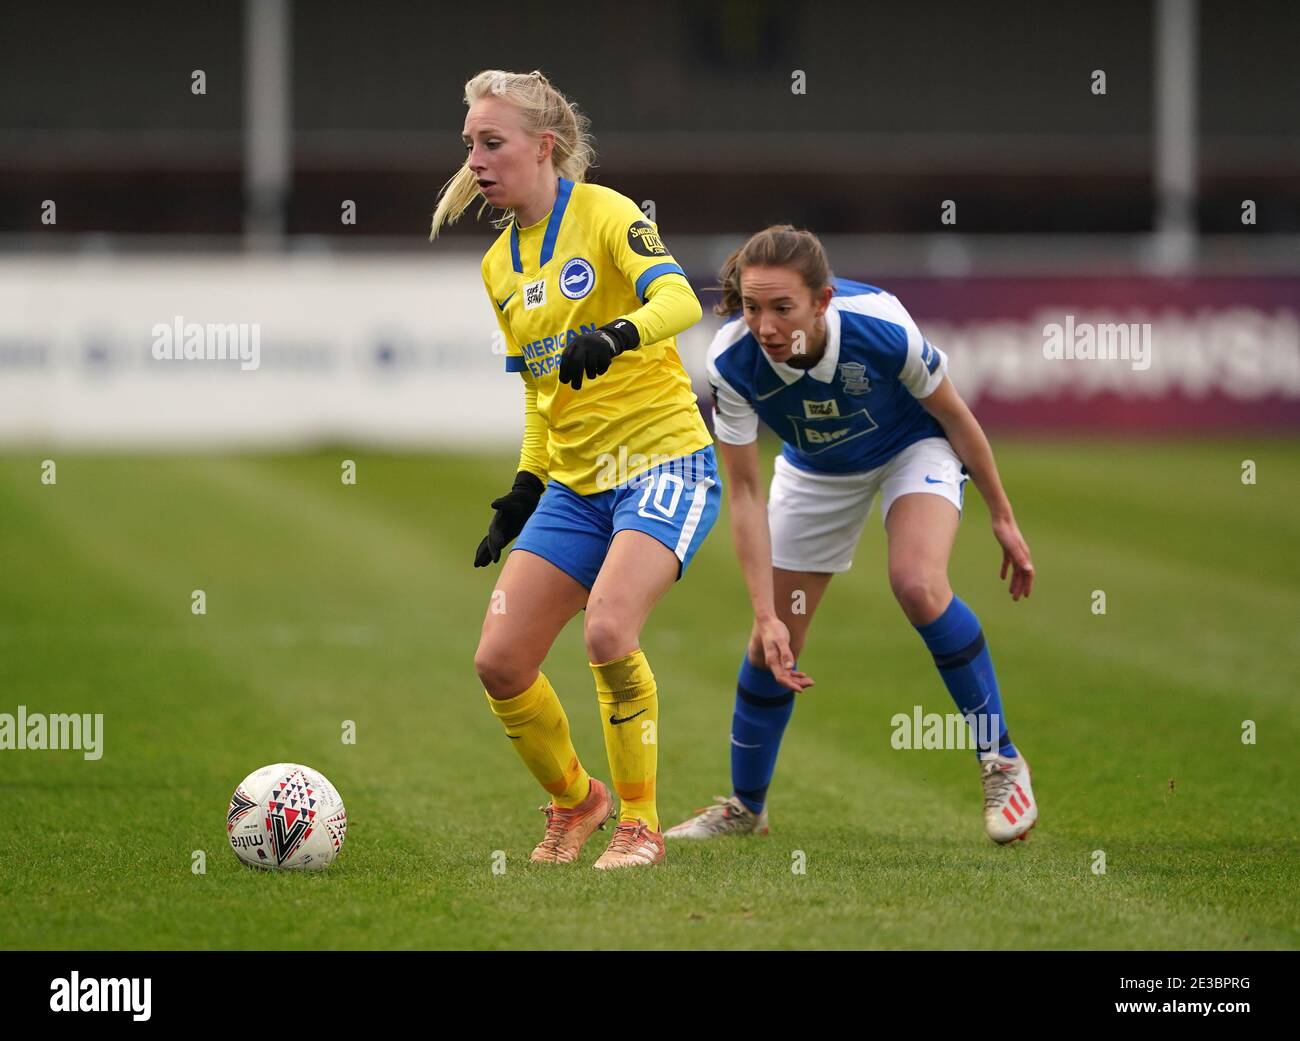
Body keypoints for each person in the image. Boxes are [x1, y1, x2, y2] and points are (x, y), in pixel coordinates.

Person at [430, 69, 721, 869]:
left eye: (493, 143)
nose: (477, 160)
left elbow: (682, 302)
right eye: (470, 146)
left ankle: (639, 825)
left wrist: (620, 335)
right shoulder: (498, 265)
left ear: (543, 146)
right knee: (499, 661)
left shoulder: (607, 213)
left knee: (607, 630)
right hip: (574, 483)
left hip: (664, 462)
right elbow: (538, 389)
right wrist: (525, 487)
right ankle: (576, 800)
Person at [665, 225, 1038, 845]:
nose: (766, 327)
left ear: (823, 300)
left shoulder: (881, 327)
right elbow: (747, 495)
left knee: (917, 584)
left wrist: (1001, 514)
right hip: (815, 470)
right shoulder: (732, 361)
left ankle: (1001, 762)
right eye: (754, 308)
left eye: (783, 308)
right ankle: (745, 809)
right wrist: (765, 614)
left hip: (909, 448)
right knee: (772, 645)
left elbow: (952, 414)